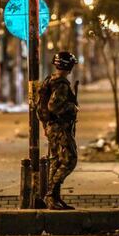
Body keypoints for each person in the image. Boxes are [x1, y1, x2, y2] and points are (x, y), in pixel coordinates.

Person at [40, 52, 79, 210]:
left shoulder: (50, 80)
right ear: (68, 66)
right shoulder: (61, 84)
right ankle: (51, 195)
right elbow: (53, 105)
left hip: (52, 126)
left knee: (56, 161)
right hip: (59, 127)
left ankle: (54, 198)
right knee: (70, 160)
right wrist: (72, 108)